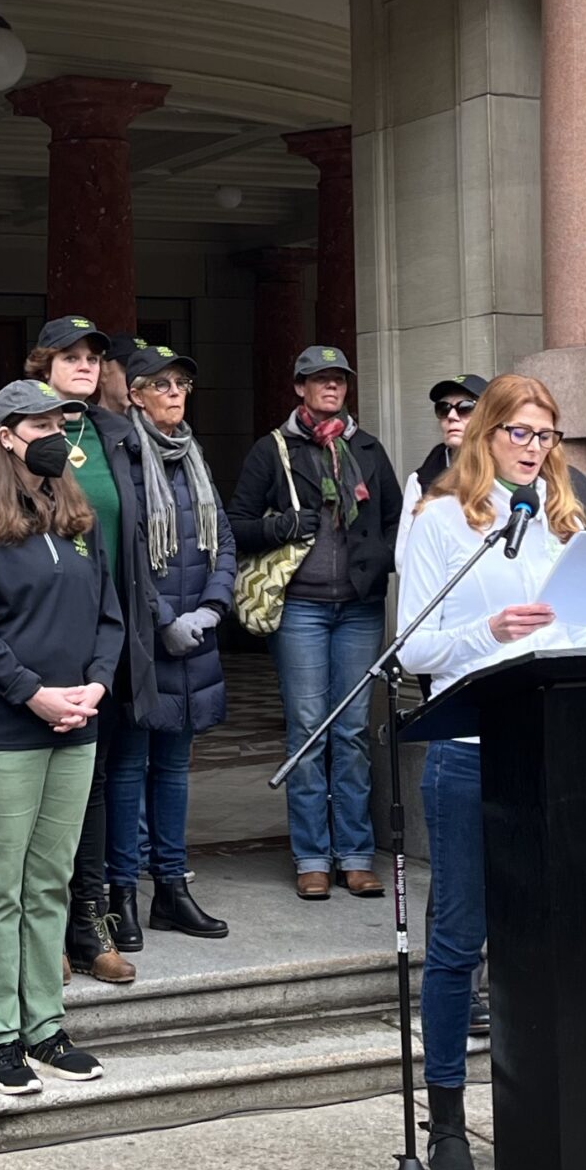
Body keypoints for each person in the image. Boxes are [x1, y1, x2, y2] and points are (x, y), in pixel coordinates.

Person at [397, 374, 586, 1170]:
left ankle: (546, 1104)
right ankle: (450, 1124)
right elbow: (414, 651)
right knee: (459, 943)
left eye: (545, 435)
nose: (533, 449)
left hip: (548, 745)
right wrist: (490, 626)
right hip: (468, 748)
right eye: (519, 433)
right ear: (484, 436)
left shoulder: (555, 527)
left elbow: (562, 635)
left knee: (545, 937)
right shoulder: (439, 521)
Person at [0, 380, 122, 1097]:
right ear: (6, 433)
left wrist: (96, 685)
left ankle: (46, 1024)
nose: (55, 431)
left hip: (79, 719)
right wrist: (34, 694)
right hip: (2, 727)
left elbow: (109, 610)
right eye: (40, 421)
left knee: (50, 879)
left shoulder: (76, 513)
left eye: (60, 420)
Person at [228, 344, 404, 900]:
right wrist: (282, 525)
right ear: (299, 388)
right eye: (319, 380)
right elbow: (235, 525)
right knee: (308, 730)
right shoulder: (271, 450)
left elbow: (397, 521)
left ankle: (354, 853)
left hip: (358, 606)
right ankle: (310, 855)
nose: (331, 388)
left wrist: (377, 563)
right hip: (299, 607)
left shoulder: (368, 449)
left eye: (339, 380)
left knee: (350, 731)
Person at [23, 317, 156, 972]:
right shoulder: (22, 435)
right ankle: (44, 927)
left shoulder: (117, 435)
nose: (83, 364)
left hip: (110, 633)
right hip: (44, 638)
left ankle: (89, 919)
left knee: (96, 783)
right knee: (45, 790)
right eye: (69, 355)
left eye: (93, 356)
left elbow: (135, 537)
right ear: (42, 364)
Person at [107, 344, 235, 948]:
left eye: (182, 382)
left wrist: (212, 607)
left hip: (197, 637)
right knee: (129, 769)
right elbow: (123, 549)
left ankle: (172, 891)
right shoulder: (121, 456)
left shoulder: (193, 456)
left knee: (176, 771)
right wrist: (163, 619)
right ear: (133, 393)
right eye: (161, 385)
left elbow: (224, 538)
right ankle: (122, 895)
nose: (175, 393)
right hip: (146, 639)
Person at [397, 373, 485, 562]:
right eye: (443, 409)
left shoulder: (509, 471)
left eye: (465, 407)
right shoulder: (421, 480)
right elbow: (404, 558)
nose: (451, 416)